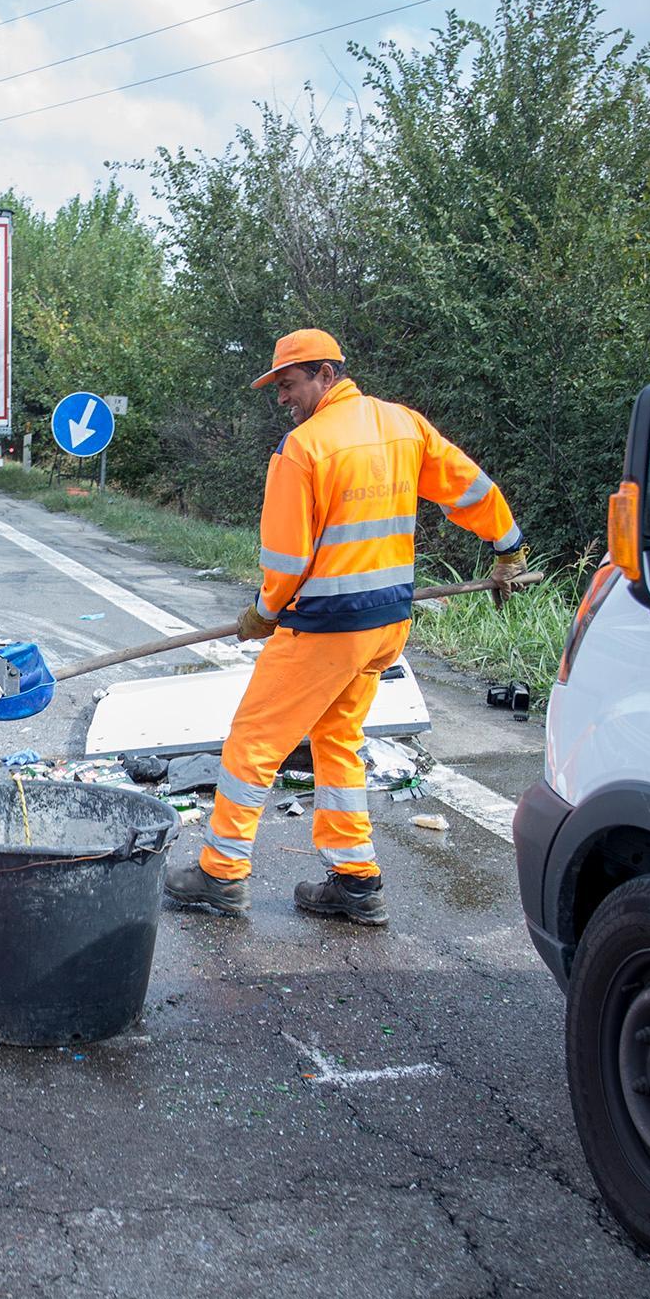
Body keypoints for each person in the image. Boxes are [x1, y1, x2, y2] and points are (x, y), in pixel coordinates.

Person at [162, 329, 528, 927]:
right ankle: (356, 882)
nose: (282, 397)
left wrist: (264, 610)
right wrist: (508, 546)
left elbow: (285, 558)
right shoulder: (403, 425)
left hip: (326, 628)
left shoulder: (304, 448)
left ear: (325, 375)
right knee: (337, 741)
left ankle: (220, 874)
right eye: (279, 387)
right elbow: (469, 486)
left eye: (288, 384)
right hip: (386, 623)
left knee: (255, 741)